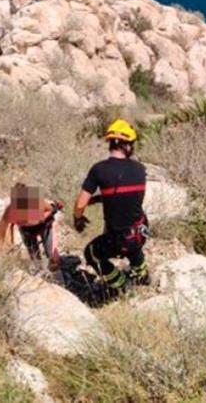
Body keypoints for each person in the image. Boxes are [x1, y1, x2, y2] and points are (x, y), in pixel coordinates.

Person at [71, 119, 149, 294]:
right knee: (132, 239)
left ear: (111, 143)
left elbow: (80, 204)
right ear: (127, 145)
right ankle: (142, 274)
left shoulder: (99, 170)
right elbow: (126, 198)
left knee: (91, 253)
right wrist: (101, 198)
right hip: (140, 233)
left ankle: (120, 284)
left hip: (118, 239)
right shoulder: (140, 169)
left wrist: (78, 219)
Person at [0, 182, 63, 271]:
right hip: (26, 230)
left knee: (54, 259)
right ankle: (41, 274)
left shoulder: (36, 201)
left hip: (45, 225)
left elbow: (50, 209)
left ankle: (56, 275)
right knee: (35, 259)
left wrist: (41, 218)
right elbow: (2, 227)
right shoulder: (10, 209)